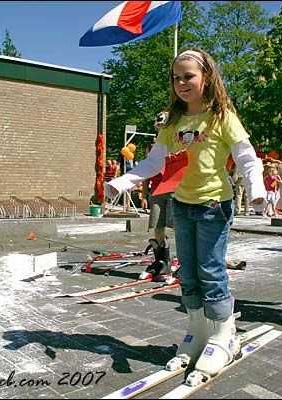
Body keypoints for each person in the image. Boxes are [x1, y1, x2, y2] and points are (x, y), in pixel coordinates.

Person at [104, 48, 266, 377]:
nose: (181, 83)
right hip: (183, 205)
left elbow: (247, 158)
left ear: (206, 77)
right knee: (188, 273)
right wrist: (120, 183)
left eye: (188, 76)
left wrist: (258, 191)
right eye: (176, 78)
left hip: (213, 206)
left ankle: (224, 337)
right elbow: (155, 163)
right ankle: (197, 333)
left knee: (210, 271)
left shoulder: (222, 117)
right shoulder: (174, 121)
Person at [140, 111, 175, 280]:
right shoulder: (152, 148)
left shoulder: (177, 144)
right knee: (157, 225)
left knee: (178, 226)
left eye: (164, 127)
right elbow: (146, 170)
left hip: (174, 188)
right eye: (159, 127)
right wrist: (144, 194)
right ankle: (162, 262)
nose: (161, 130)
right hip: (156, 189)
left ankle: (185, 263)